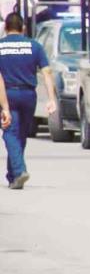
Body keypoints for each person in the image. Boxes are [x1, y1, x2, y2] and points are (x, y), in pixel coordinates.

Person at [0, 13, 56, 189]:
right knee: (20, 135)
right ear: (23, 28)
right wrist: (51, 99)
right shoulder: (35, 46)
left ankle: (19, 170)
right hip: (28, 95)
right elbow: (47, 73)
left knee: (10, 132)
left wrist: (5, 106)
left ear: (5, 28)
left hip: (7, 93)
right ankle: (14, 176)